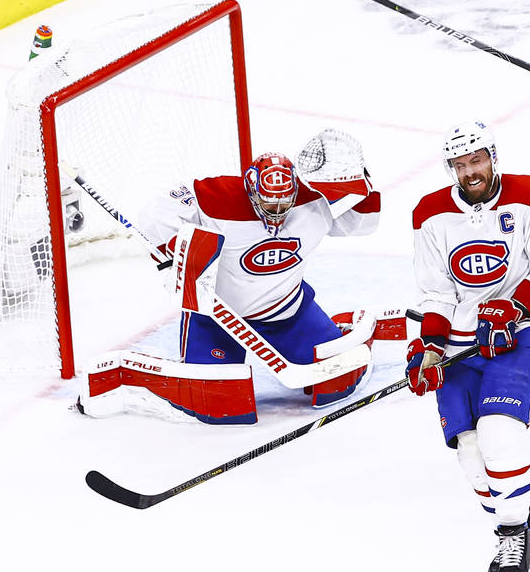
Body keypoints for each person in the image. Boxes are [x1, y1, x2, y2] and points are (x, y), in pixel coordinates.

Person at [407, 121, 530, 572]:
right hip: (460, 344)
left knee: (500, 434)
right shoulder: (430, 214)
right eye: (460, 165)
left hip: (519, 336)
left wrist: (513, 306)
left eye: (476, 160)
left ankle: (514, 532)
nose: (470, 172)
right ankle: (506, 522)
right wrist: (430, 346)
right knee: (471, 454)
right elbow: (435, 291)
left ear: (492, 157)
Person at [139, 130, 381, 408]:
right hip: (217, 317)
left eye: (284, 200)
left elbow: (362, 224)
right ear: (251, 191)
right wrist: (174, 250)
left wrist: (359, 180)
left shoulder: (312, 203)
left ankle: (329, 331)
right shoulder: (218, 198)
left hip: (289, 312)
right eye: (269, 201)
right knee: (216, 405)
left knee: (337, 384)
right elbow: (158, 209)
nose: (277, 208)